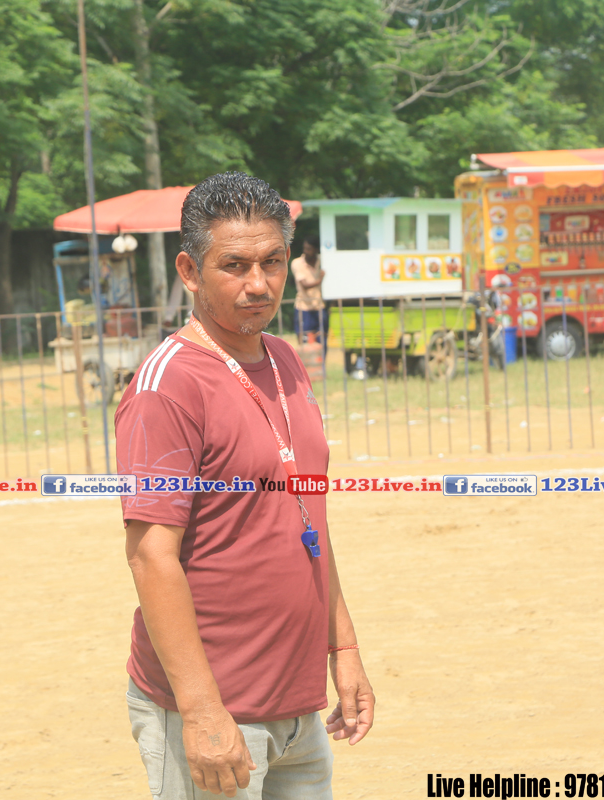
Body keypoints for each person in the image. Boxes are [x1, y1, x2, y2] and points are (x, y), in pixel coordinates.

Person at [115, 172, 374, 800]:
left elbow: (310, 519)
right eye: (234, 266)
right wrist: (203, 711)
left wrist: (343, 645)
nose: (258, 284)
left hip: (297, 706)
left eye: (272, 262)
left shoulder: (285, 361)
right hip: (215, 714)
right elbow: (151, 557)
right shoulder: (168, 387)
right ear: (190, 270)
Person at [291, 236, 327, 358]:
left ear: (316, 250)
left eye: (309, 249)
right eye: (305, 248)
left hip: (319, 306)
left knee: (322, 341)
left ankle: (321, 367)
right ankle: (305, 367)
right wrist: (320, 280)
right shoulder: (297, 263)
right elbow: (304, 285)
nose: (306, 251)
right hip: (303, 307)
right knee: (305, 342)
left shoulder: (322, 260)